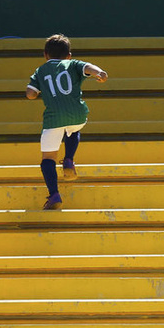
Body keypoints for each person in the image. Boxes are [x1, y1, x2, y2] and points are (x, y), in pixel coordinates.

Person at [26, 34, 108, 210]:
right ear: (69, 55)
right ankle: (69, 159)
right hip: (76, 114)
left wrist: (37, 92)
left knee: (48, 158)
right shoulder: (73, 64)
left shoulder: (40, 71)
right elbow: (88, 67)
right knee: (73, 129)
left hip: (53, 118)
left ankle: (54, 194)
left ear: (45, 55)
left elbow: (30, 93)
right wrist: (99, 73)